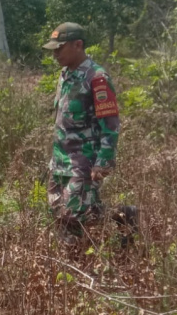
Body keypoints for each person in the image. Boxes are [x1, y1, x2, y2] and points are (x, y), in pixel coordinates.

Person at [42, 22, 132, 243]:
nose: (55, 54)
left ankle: (123, 218)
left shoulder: (97, 78)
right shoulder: (64, 75)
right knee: (56, 210)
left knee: (73, 214)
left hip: (84, 162)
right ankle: (71, 262)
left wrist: (104, 161)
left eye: (59, 48)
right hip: (60, 159)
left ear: (78, 45)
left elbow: (110, 124)